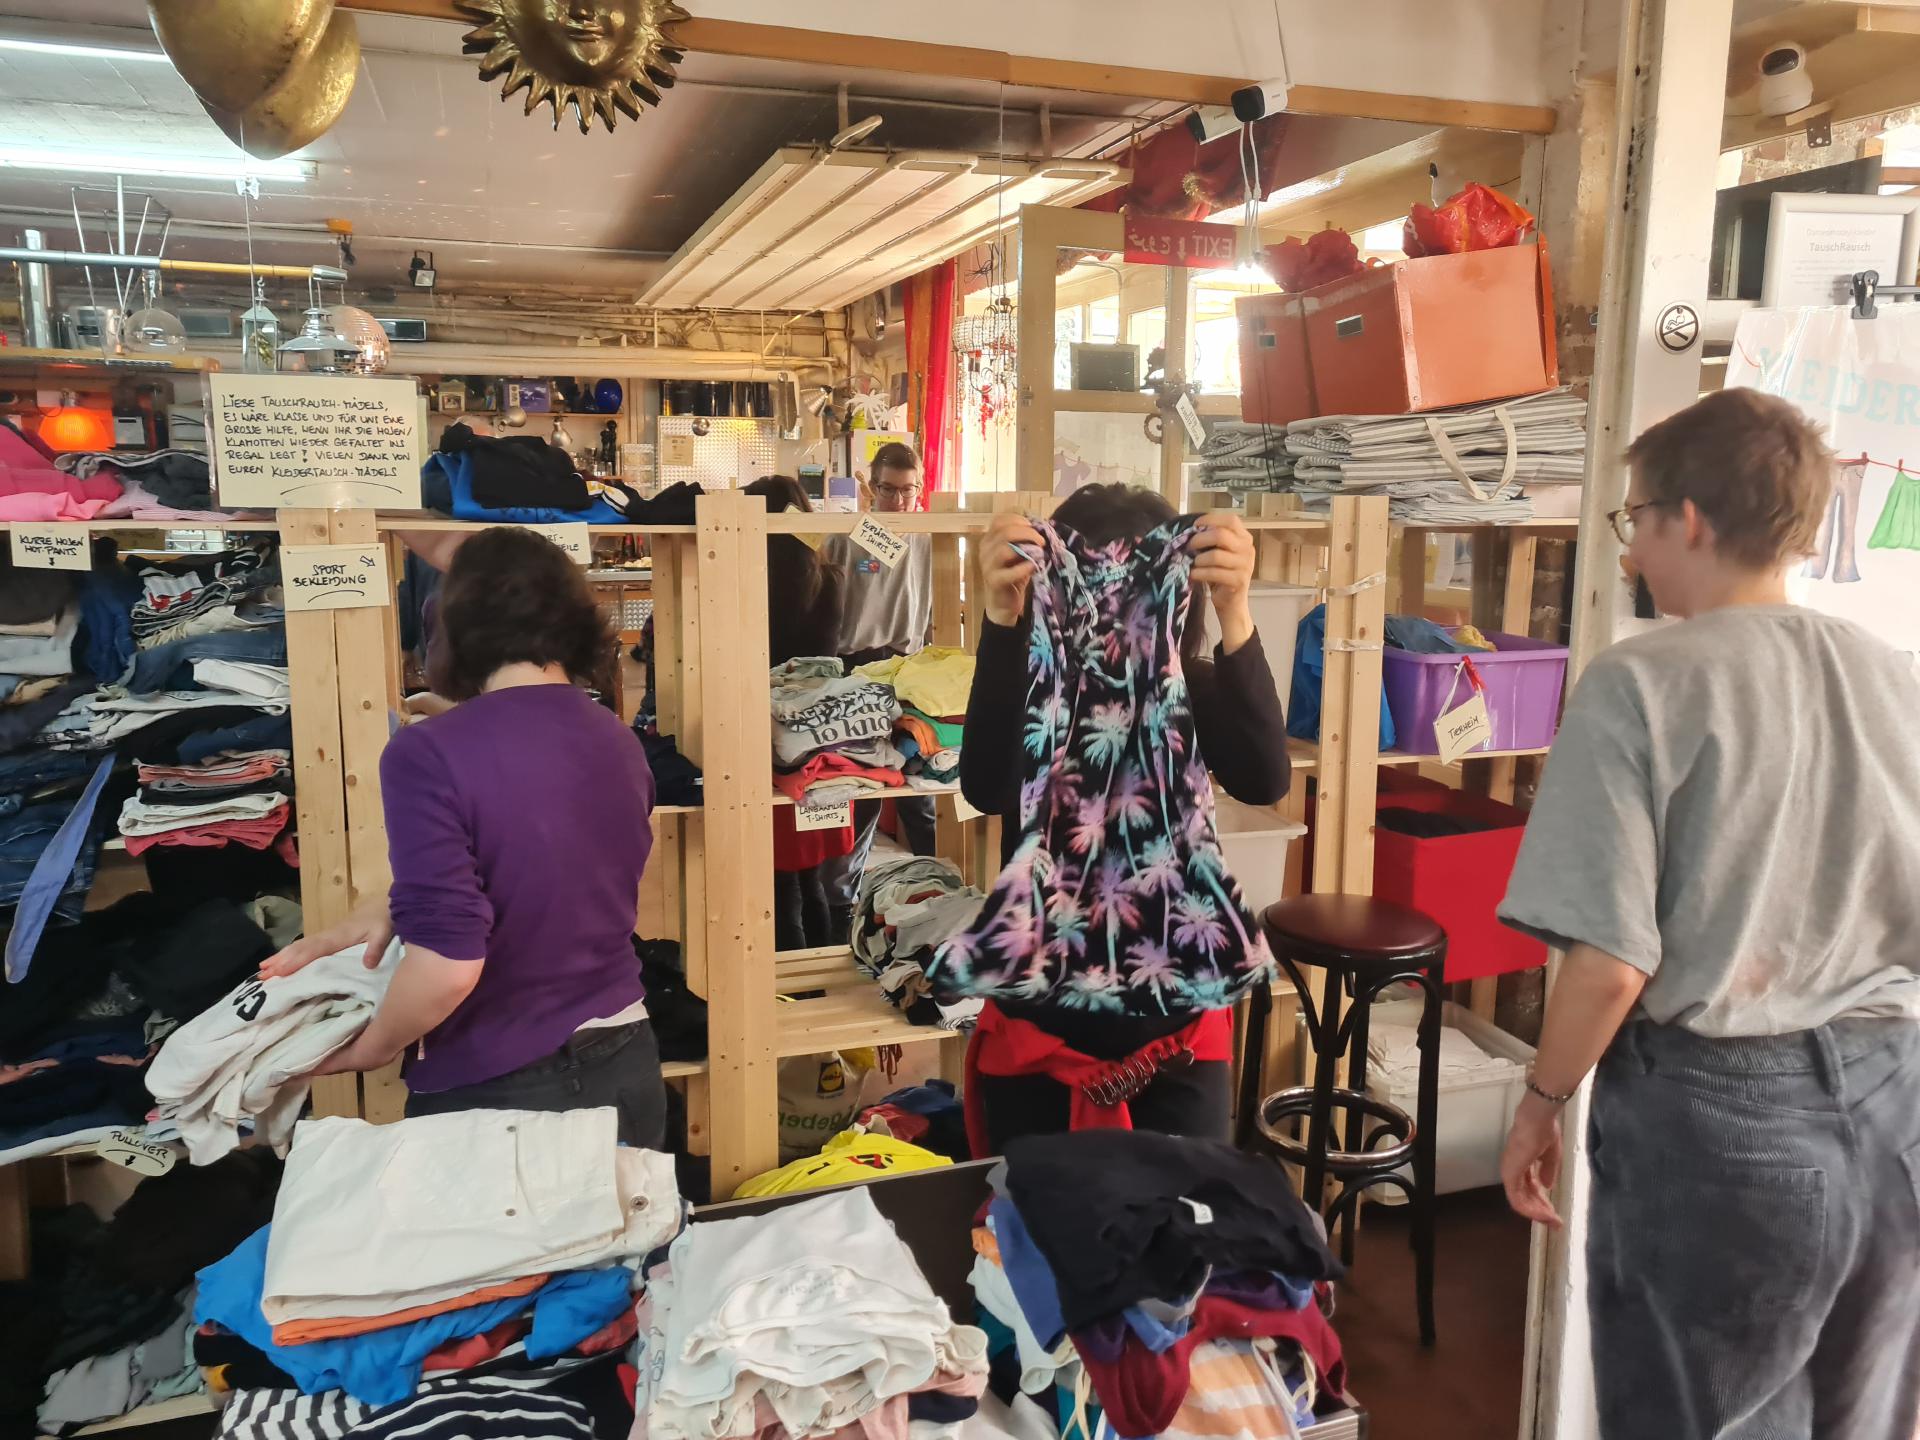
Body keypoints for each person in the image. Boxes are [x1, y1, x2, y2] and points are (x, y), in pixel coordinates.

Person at [1496, 388, 1920, 1440]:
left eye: (1635, 519)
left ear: (1687, 520)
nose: (1629, 550)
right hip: (1899, 1104)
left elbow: (1610, 964)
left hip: (1725, 1126)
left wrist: (1541, 1102)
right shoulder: (1896, 677)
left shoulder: (1640, 683)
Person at [263, 527, 667, 1147]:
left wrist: (372, 1047)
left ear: (453, 623)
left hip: (502, 1081)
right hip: (627, 1052)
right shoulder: (615, 736)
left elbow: (449, 966)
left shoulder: (426, 753)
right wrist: (397, 905)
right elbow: (546, 859)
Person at [958, 485, 1290, 1152]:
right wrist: (1001, 620)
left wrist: (1236, 610)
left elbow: (1265, 779)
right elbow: (986, 786)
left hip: (1176, 1039)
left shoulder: (1190, 687)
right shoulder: (1040, 693)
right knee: (1034, 1212)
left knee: (1183, 1207)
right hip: (1041, 1030)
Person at [820, 443, 937, 932]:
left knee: (923, 787)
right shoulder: (846, 536)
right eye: (889, 490)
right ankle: (839, 904)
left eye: (910, 491)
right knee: (861, 788)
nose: (900, 502)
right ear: (871, 488)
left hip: (911, 668)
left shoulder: (931, 534)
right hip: (858, 669)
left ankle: (938, 886)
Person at [743, 476, 854, 951]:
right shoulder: (830, 579)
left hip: (760, 731)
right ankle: (819, 973)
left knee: (777, 878)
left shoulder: (746, 580)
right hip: (819, 736)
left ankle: (786, 981)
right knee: (811, 873)